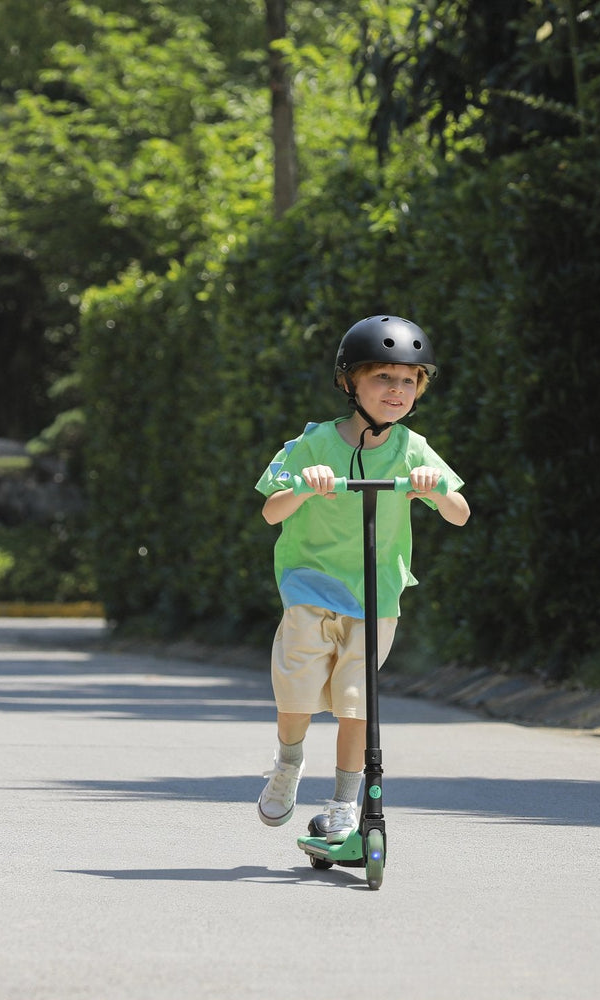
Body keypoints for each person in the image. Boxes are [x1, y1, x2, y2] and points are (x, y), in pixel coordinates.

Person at [254, 314, 470, 842]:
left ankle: (344, 805)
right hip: (310, 585)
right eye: (383, 377)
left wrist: (435, 489)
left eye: (408, 380)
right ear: (350, 381)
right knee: (297, 693)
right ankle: (288, 763)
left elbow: (460, 514)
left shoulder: (413, 448)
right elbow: (271, 511)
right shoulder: (312, 443)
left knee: (357, 704)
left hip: (377, 595)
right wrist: (304, 485)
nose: (396, 390)